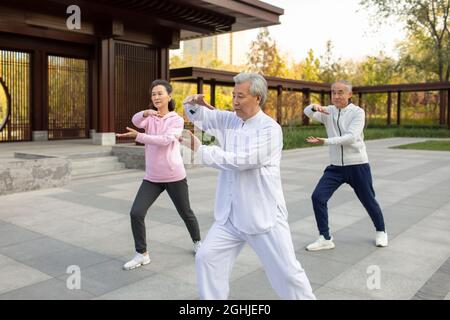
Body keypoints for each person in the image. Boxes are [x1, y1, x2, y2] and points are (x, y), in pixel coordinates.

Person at [180, 72, 315, 300]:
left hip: (262, 217)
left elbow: (243, 160)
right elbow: (200, 117)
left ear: (257, 98)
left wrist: (201, 150)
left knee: (287, 274)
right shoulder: (230, 119)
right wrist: (191, 103)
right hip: (230, 217)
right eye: (233, 95)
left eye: (240, 96)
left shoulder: (270, 129)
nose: (234, 101)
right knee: (207, 257)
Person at [117, 79, 202, 270]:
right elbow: (135, 120)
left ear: (169, 96)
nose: (156, 97)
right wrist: (145, 112)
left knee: (186, 213)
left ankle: (198, 243)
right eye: (153, 94)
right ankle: (141, 254)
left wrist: (138, 136)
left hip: (174, 175)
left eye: (160, 93)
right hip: (152, 177)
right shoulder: (150, 118)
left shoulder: (176, 119)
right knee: (136, 212)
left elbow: (164, 140)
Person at [303, 80, 388, 251]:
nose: (336, 96)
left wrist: (325, 141)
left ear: (350, 94)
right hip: (335, 167)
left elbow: (351, 137)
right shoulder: (329, 111)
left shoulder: (357, 113)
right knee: (318, 197)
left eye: (340, 92)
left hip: (357, 165)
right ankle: (325, 238)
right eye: (333, 92)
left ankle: (381, 231)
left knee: (368, 200)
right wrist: (314, 106)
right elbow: (307, 112)